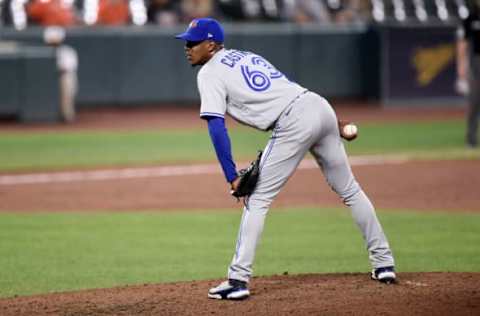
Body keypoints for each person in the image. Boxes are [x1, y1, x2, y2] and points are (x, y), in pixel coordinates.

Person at [175, 17, 396, 300]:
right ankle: (384, 263)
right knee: (350, 190)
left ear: (211, 44)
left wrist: (231, 176)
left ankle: (238, 280)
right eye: (186, 42)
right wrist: (336, 123)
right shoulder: (246, 56)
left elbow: (216, 126)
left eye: (193, 42)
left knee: (256, 199)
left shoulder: (209, 73)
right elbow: (289, 89)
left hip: (293, 121)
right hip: (318, 105)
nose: (187, 47)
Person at [43, 26, 78, 123]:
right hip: (48, 78)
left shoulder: (67, 51)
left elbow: (67, 67)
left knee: (67, 96)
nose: (53, 41)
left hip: (65, 76)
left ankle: (67, 117)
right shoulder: (43, 51)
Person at [457, 0, 480, 148]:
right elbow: (463, 42)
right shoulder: (471, 17)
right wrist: (461, 66)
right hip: (477, 62)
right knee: (474, 101)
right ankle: (471, 139)